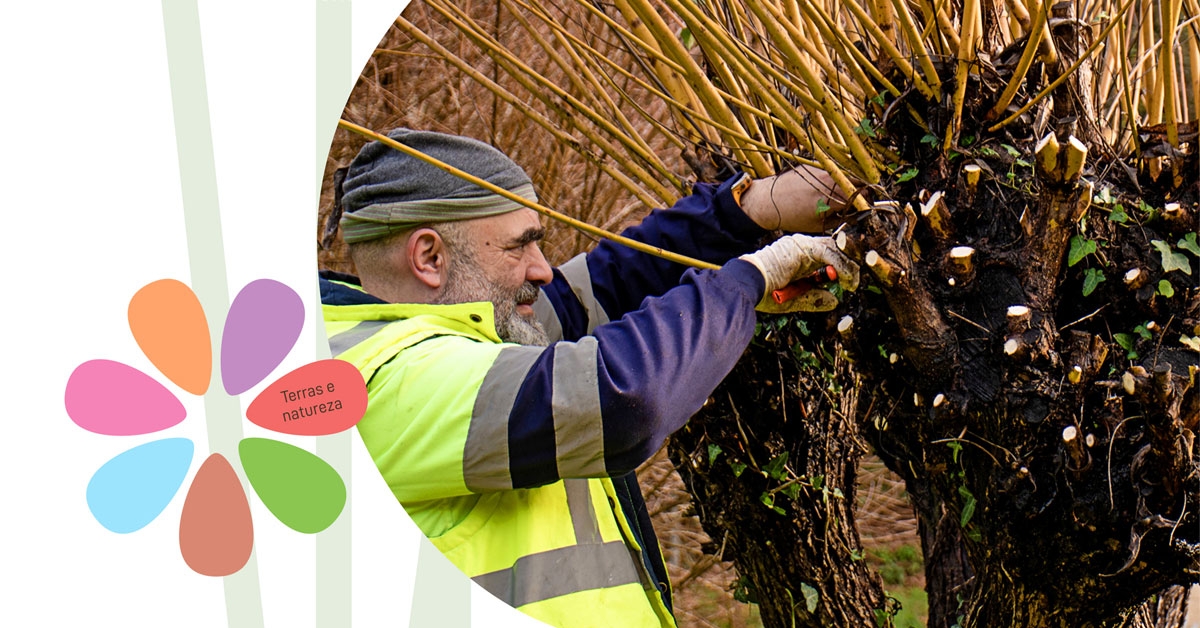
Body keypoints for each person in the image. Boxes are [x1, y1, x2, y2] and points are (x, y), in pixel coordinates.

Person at [320, 128, 858, 628]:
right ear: (430, 257)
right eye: (518, 246)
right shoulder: (380, 383)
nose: (542, 268)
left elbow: (604, 286)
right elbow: (622, 396)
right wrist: (749, 281)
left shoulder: (474, 334)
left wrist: (749, 211)